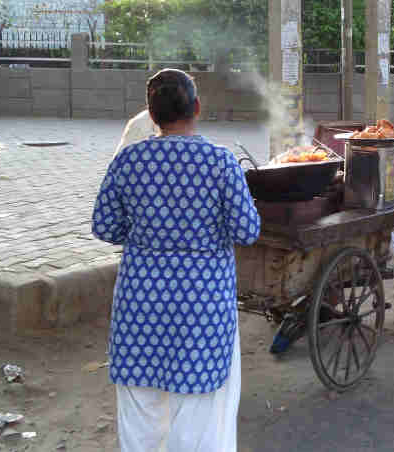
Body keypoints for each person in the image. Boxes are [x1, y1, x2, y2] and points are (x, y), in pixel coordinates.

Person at [92, 68, 261, 452]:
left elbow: (104, 226)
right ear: (197, 108)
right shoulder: (221, 163)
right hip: (203, 306)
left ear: (152, 116)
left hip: (140, 304)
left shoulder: (128, 161)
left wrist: (147, 240)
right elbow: (247, 231)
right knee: (200, 410)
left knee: (141, 406)